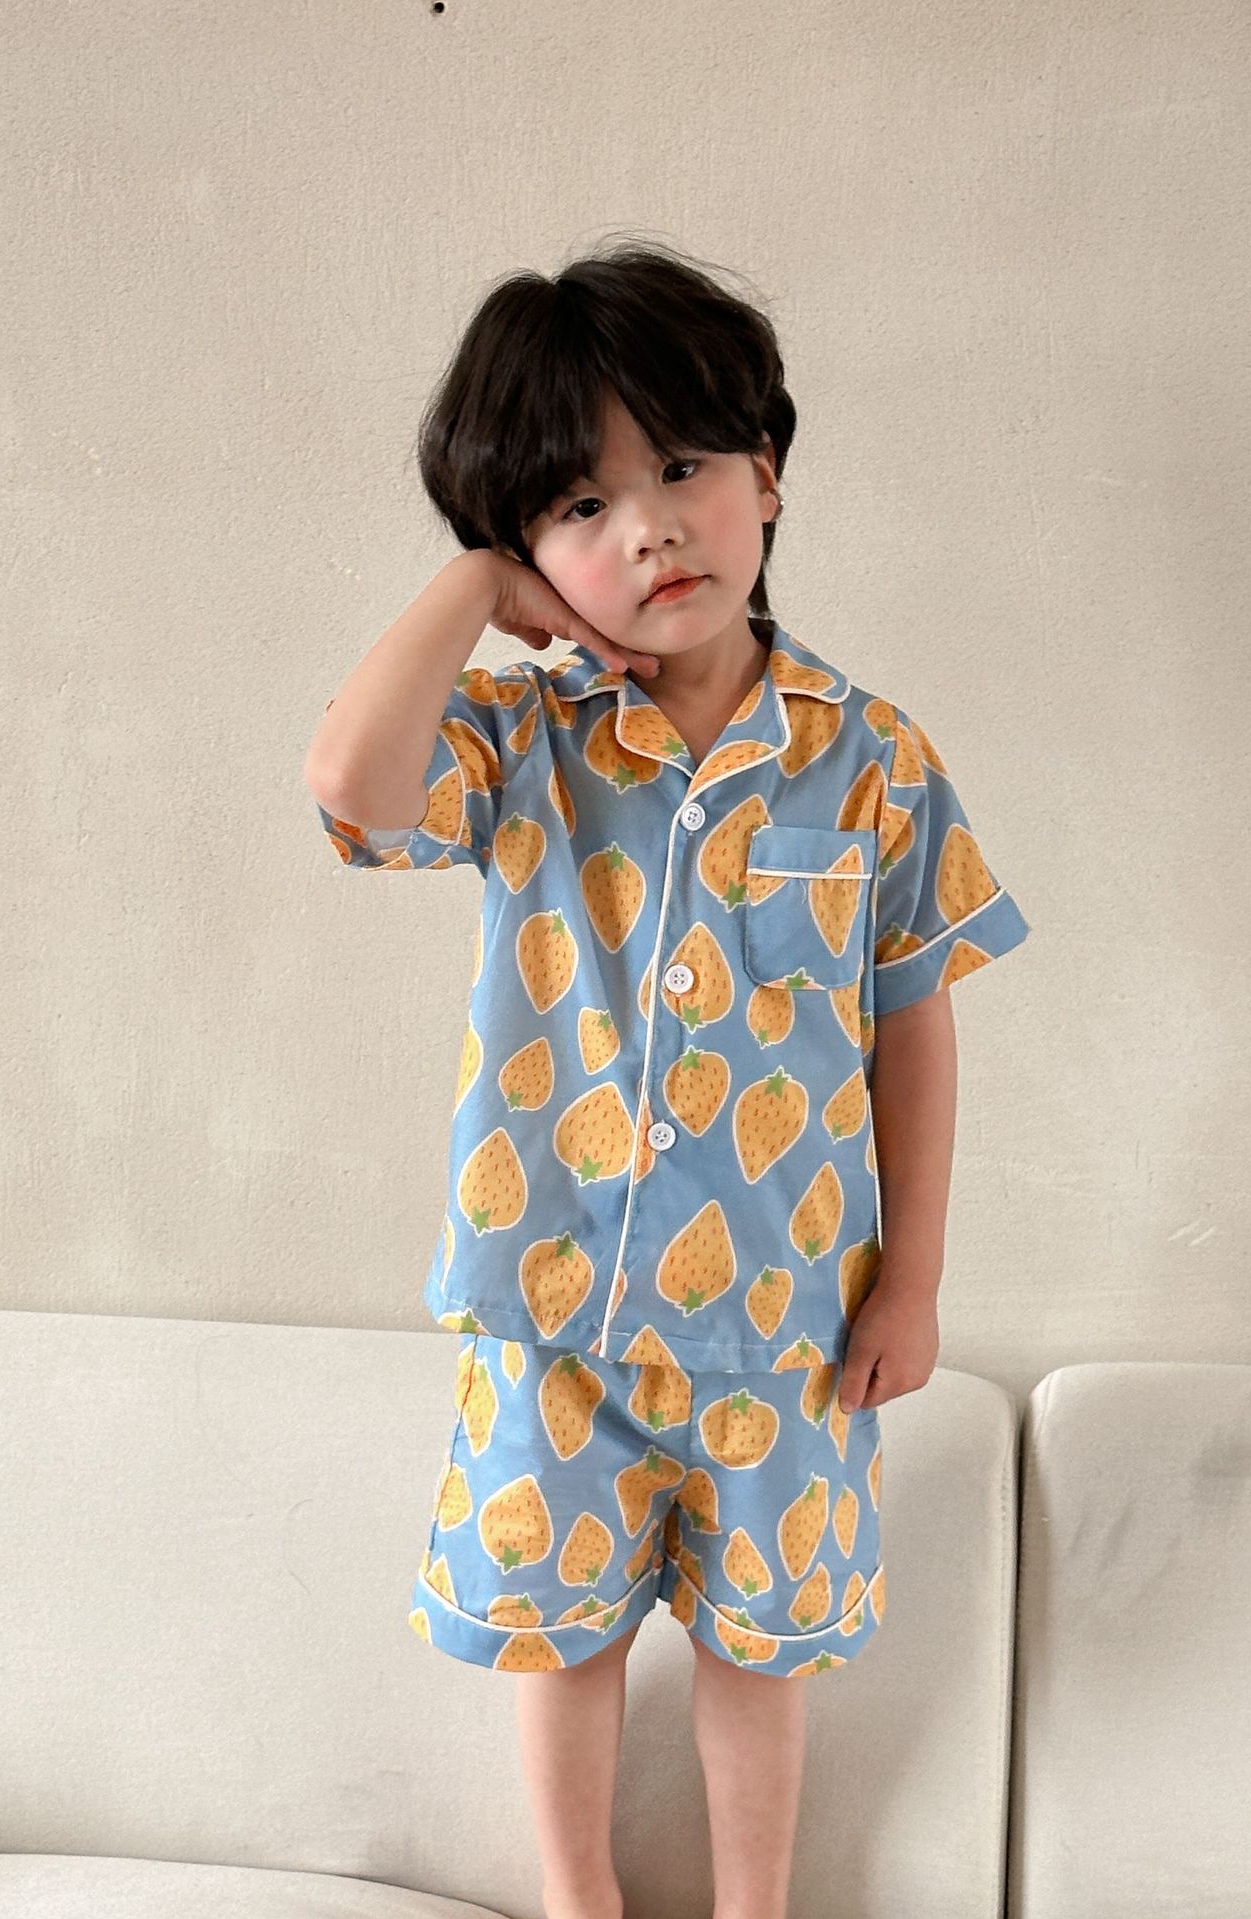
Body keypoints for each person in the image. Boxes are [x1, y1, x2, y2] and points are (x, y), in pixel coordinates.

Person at [303, 236, 1030, 1919]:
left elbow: (913, 1025)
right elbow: (349, 780)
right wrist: (477, 592)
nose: (647, 529)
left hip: (787, 1320)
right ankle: (583, 1904)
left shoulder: (872, 761)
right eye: (580, 505)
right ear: (532, 552)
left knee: (761, 1654)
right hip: (551, 1310)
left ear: (766, 473)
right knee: (557, 1644)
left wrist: (913, 1282)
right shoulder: (522, 743)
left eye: (684, 467)